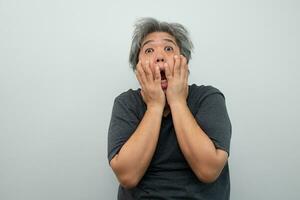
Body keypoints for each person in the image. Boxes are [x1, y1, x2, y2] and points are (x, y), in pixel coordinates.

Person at [107, 17, 232, 200]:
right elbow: (127, 176)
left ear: (184, 62)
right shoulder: (126, 103)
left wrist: (177, 101)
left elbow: (209, 170)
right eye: (149, 50)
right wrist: (155, 105)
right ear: (137, 68)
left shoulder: (209, 98)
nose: (159, 56)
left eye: (168, 48)